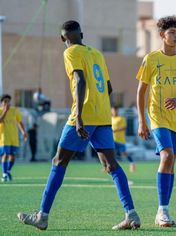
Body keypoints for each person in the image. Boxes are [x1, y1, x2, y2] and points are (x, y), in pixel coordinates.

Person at [17, 20, 140, 231]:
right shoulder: (97, 54)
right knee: (111, 165)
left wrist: (81, 117)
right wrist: (99, 106)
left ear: (62, 39)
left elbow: (80, 80)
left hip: (83, 115)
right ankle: (131, 214)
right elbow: (109, 88)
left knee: (59, 161)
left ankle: (42, 216)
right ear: (81, 34)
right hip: (102, 116)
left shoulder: (70, 52)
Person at [136, 16, 176, 227]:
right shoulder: (151, 59)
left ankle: (164, 209)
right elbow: (141, 91)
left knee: (171, 163)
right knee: (167, 155)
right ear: (162, 35)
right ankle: (162, 210)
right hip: (157, 116)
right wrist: (142, 121)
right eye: (172, 32)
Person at [0, 94, 28, 182]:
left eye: (8, 101)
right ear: (1, 103)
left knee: (12, 156)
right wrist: (5, 111)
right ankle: (4, 174)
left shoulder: (15, 110)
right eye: (5, 102)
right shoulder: (0, 111)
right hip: (4, 137)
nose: (7, 103)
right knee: (5, 154)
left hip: (14, 137)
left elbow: (19, 122)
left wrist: (24, 132)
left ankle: (8, 171)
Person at [111, 106, 136, 172]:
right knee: (111, 153)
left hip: (120, 140)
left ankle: (132, 163)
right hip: (112, 140)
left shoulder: (121, 118)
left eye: (115, 110)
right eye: (113, 110)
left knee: (124, 153)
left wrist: (115, 130)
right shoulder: (110, 119)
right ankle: (109, 165)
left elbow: (124, 127)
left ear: (118, 111)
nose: (114, 112)